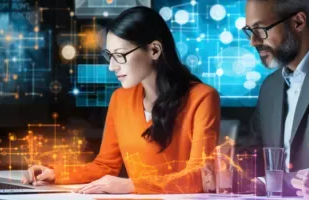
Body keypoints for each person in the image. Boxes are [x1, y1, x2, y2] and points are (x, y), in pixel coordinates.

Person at [21, 6, 220, 194]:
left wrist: (131, 185)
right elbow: (105, 166)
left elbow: (200, 177)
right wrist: (56, 173)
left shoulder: (202, 97)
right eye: (110, 56)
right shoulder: (120, 99)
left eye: (120, 55)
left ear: (154, 50)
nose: (112, 66)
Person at [243, 0, 309, 195]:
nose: (253, 41)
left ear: (298, 22)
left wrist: (280, 180)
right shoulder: (270, 86)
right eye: (250, 31)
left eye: (260, 29)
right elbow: (254, 157)